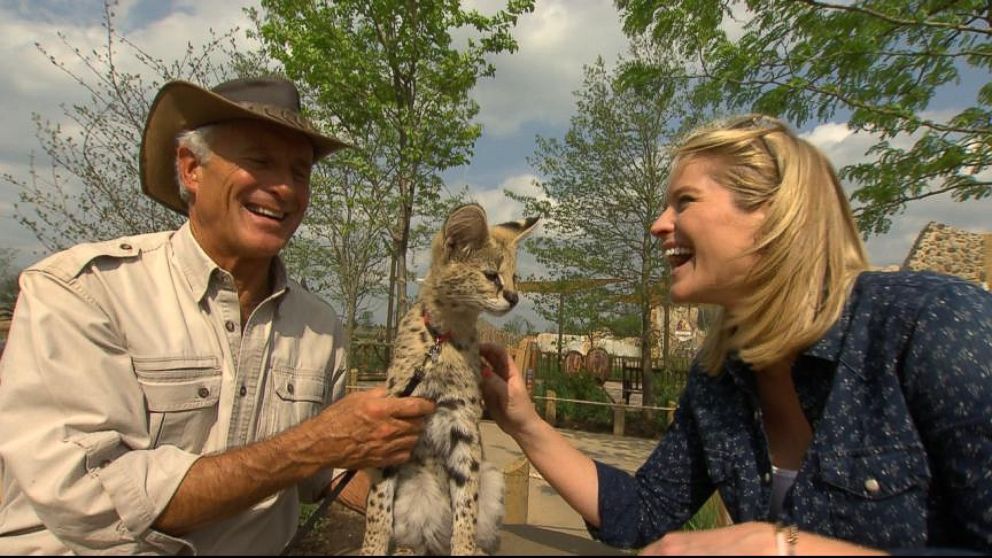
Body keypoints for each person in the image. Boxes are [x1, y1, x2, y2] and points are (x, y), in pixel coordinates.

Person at [480, 114, 992, 555]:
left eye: (684, 201)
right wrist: (522, 421)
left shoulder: (935, 324)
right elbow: (643, 512)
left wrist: (781, 545)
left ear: (774, 214)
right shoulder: (719, 376)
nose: (658, 224)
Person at [0, 77, 436, 554]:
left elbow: (324, 470)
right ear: (191, 169)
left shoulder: (318, 325)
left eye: (301, 171)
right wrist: (312, 443)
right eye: (260, 161)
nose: (285, 188)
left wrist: (432, 509)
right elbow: (92, 499)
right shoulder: (83, 292)